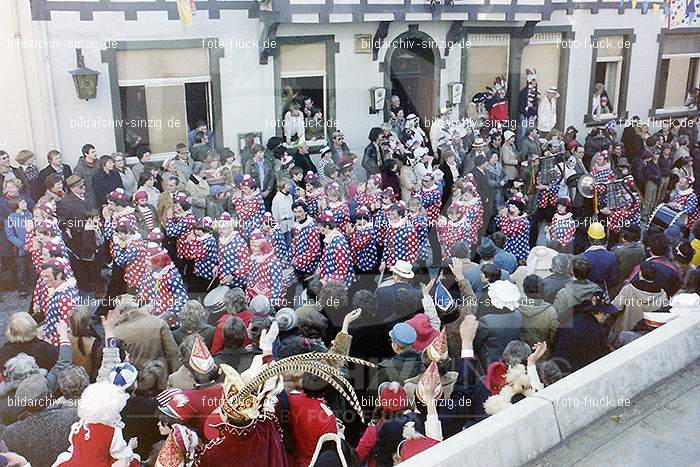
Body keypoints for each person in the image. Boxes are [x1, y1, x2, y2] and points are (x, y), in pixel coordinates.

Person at [554, 291, 618, 373]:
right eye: (606, 314)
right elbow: (596, 358)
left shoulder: (575, 316)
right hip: (572, 370)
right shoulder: (595, 331)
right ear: (600, 313)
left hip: (558, 362)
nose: (607, 316)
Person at [552, 255, 602, 324]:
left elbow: (556, 318)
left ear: (571, 271)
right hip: (592, 330)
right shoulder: (598, 290)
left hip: (569, 331)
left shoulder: (563, 294)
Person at [519, 275, 558, 353]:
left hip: (520, 352)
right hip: (541, 353)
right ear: (542, 290)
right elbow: (553, 337)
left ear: (524, 290)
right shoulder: (551, 311)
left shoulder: (515, 307)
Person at [582, 222, 619, 294]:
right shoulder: (612, 257)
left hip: (585, 294)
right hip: (602, 293)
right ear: (604, 238)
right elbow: (613, 281)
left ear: (589, 238)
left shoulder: (582, 257)